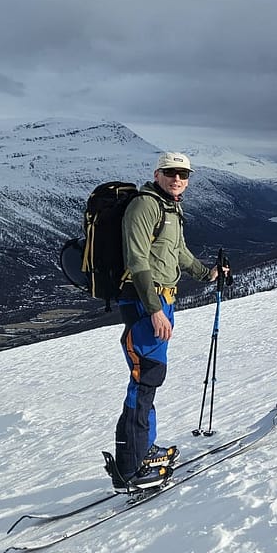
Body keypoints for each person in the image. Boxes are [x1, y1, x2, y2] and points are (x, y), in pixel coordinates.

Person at [109, 151, 226, 488]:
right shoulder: (145, 205)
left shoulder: (170, 208)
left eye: (183, 174)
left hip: (162, 299)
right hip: (146, 301)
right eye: (171, 173)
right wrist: (154, 308)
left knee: (152, 376)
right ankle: (130, 468)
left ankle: (145, 448)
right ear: (157, 173)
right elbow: (136, 259)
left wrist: (208, 275)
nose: (178, 179)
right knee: (144, 378)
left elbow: (179, 253)